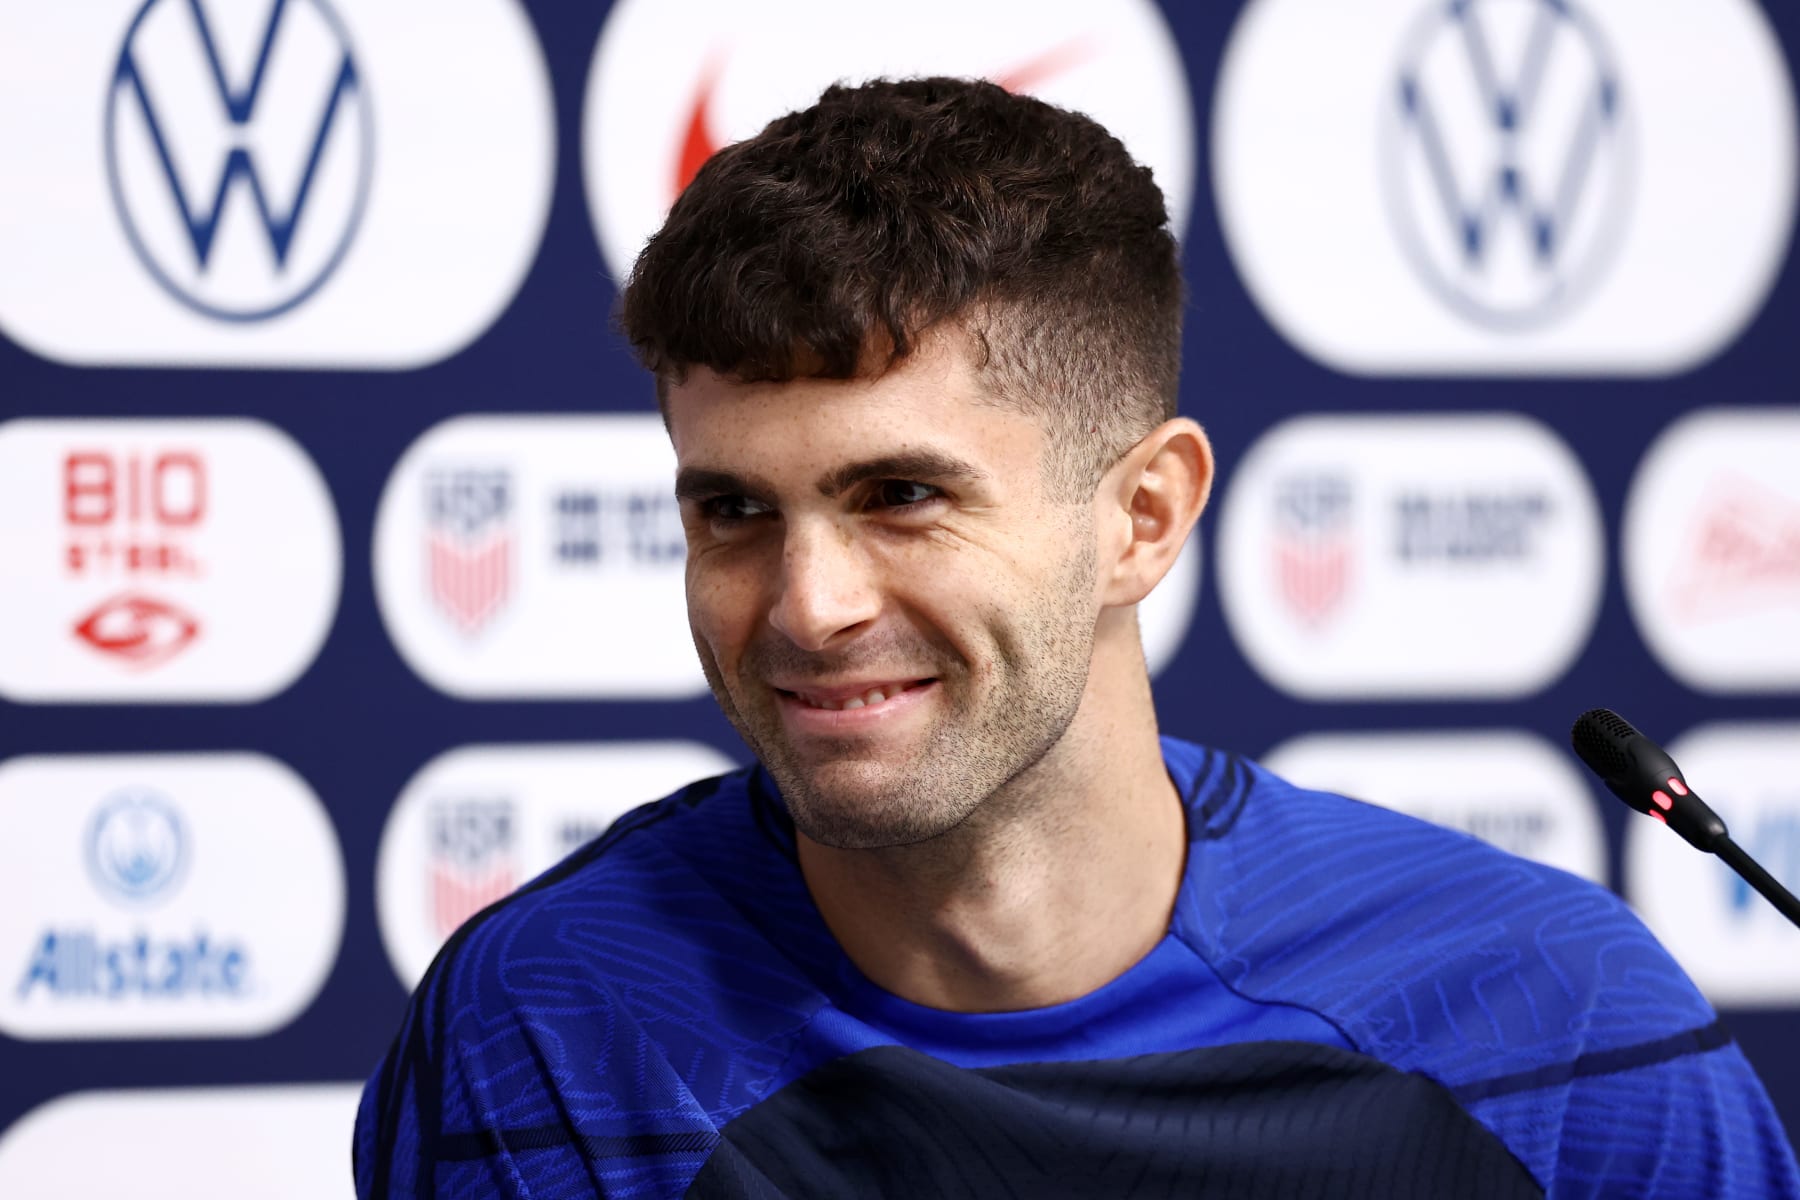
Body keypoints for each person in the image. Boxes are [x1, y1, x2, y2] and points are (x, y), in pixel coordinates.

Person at [355, 77, 1798, 1198]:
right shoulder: (541, 1023)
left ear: (1145, 514)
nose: (806, 606)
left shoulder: (1555, 1018)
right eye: (733, 508)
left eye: (902, 495)